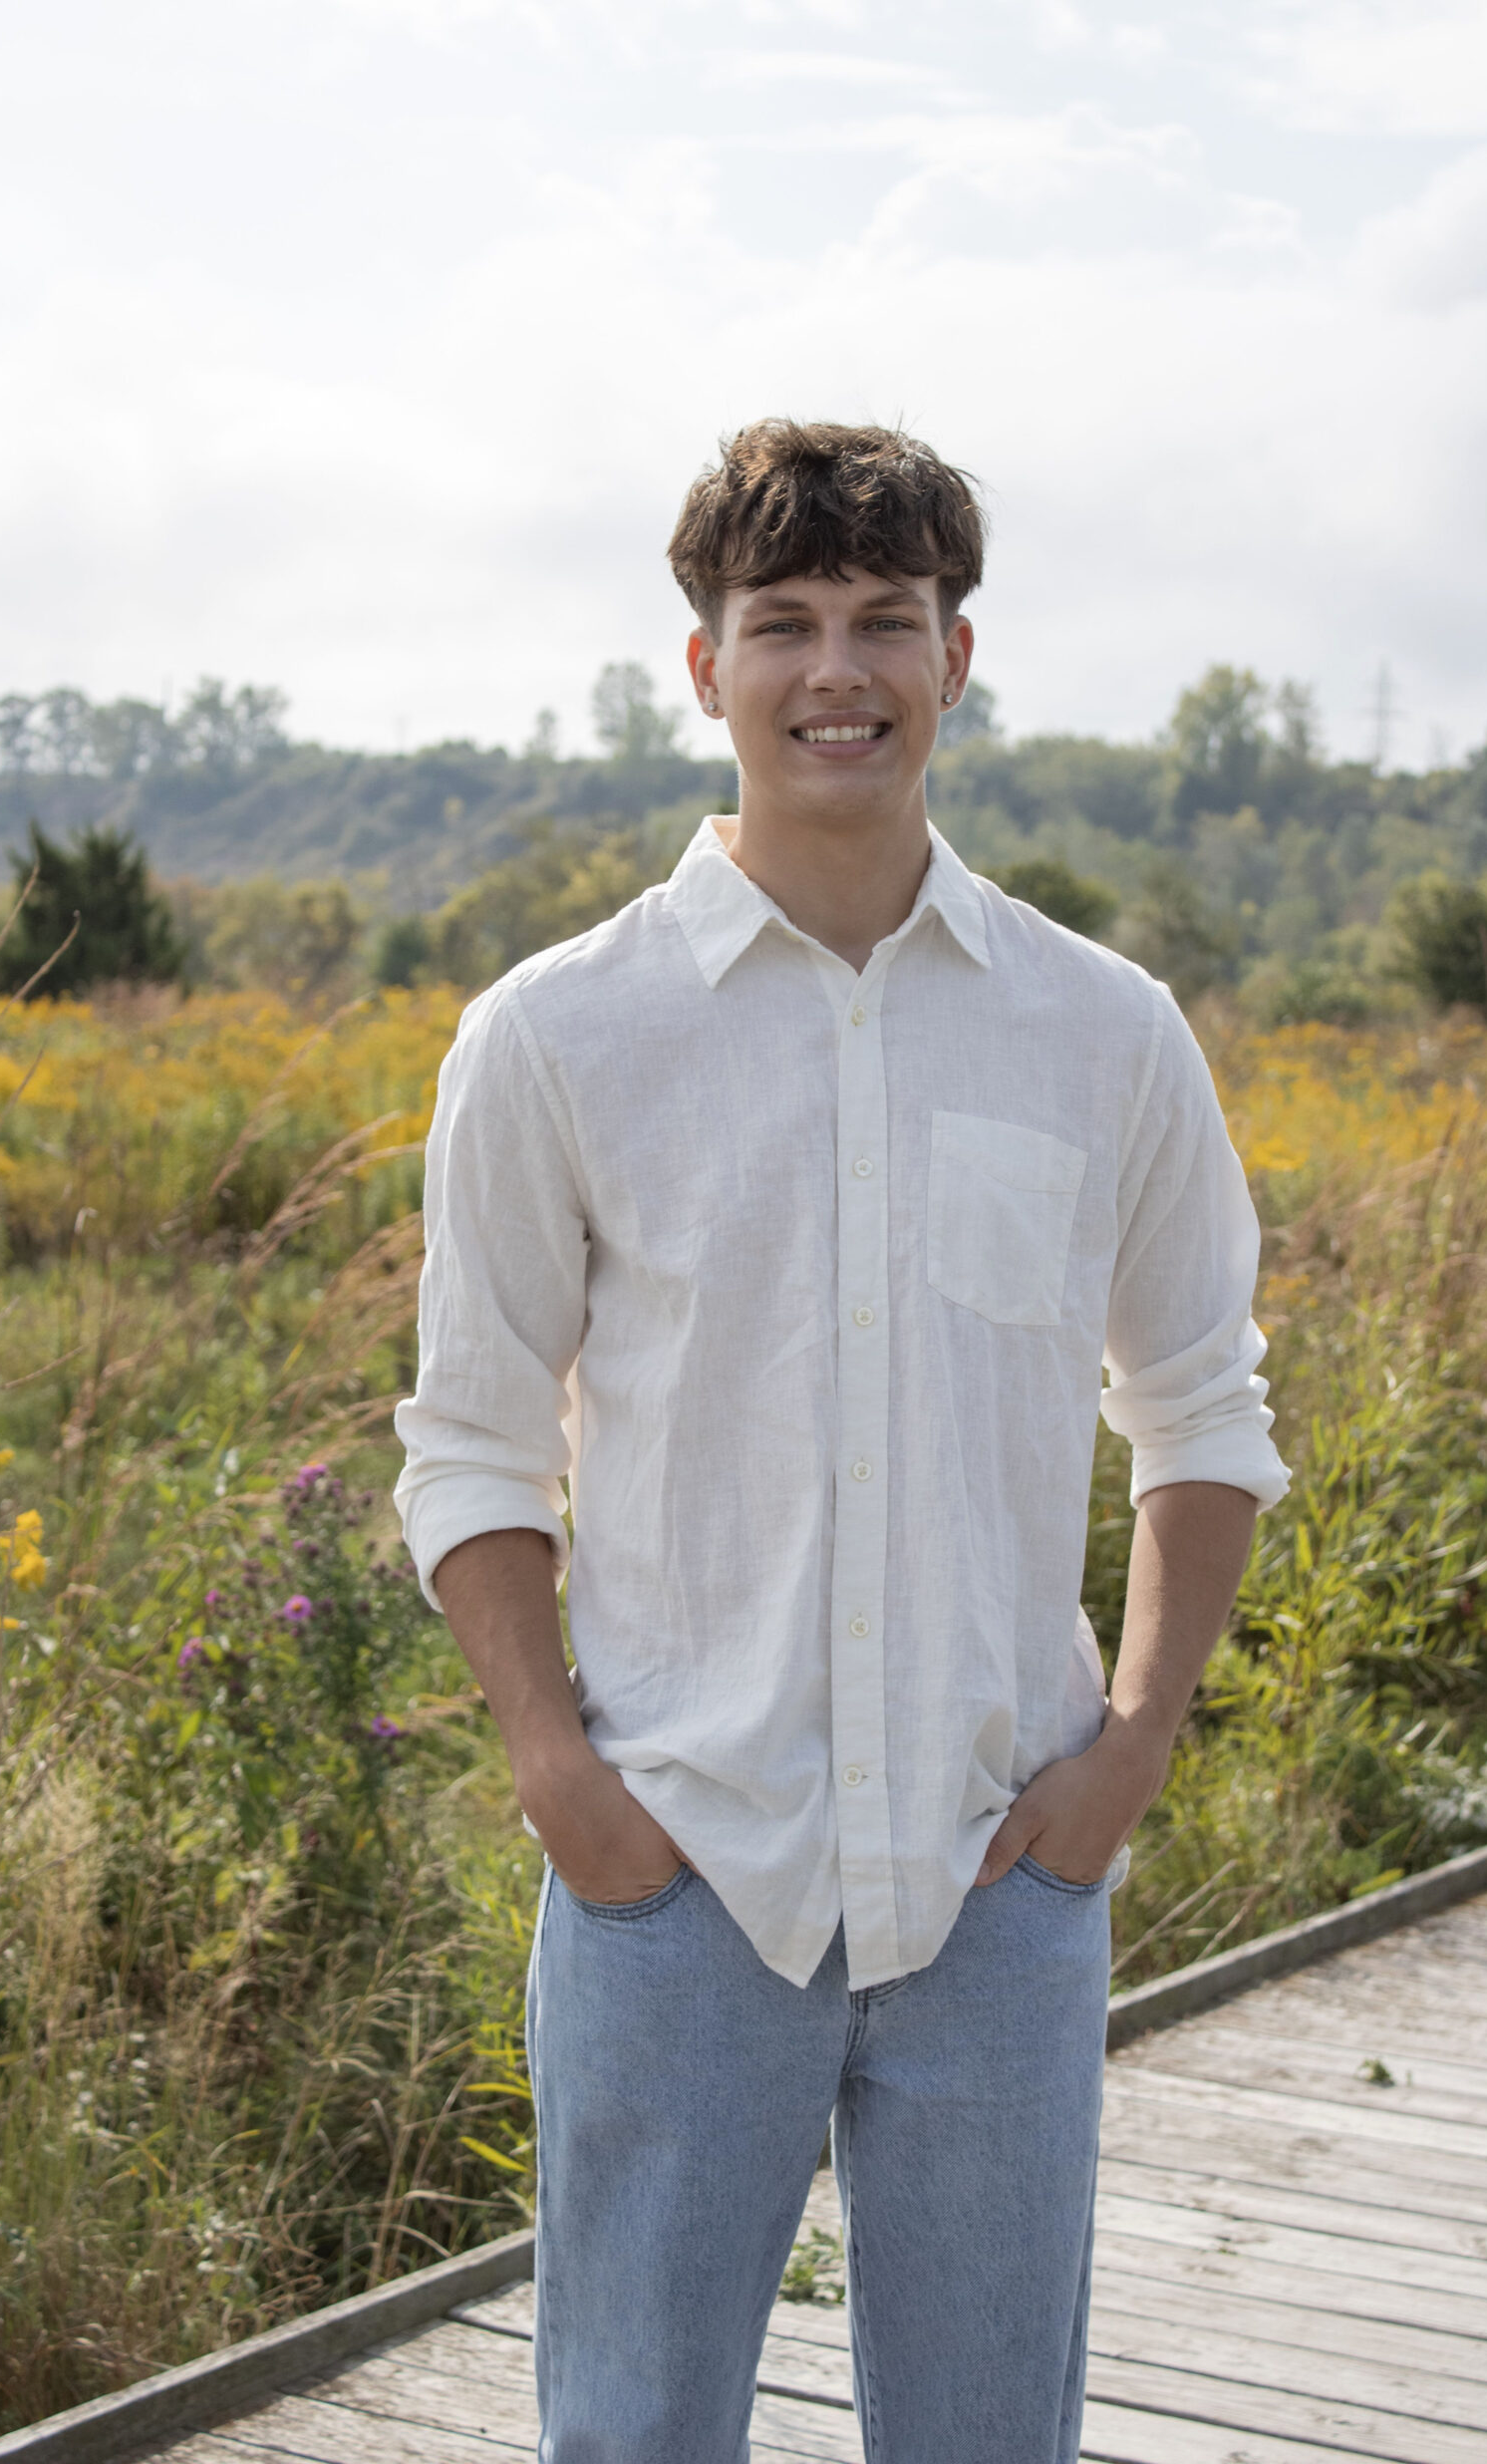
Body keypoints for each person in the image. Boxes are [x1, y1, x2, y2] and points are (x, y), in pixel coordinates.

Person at [395, 419, 1289, 2462]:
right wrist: (563, 1780)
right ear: (700, 668)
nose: (835, 670)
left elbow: (1199, 1403)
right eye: (779, 621)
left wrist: (1130, 1740)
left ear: (952, 660)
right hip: (676, 1871)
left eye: (883, 621)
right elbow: (465, 1441)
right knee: (630, 2436)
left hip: (1000, 1873)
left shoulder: (1100, 1028)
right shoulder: (556, 1034)